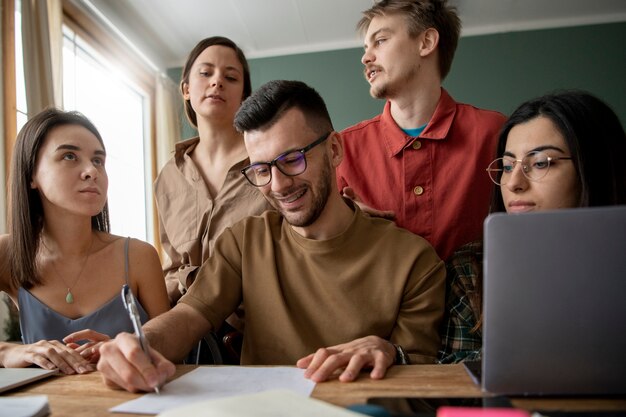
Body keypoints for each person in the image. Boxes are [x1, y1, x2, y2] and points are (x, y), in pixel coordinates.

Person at [97, 80, 446, 393]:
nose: (278, 185)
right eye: (261, 170)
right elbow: (189, 317)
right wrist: (141, 344)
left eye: (292, 159)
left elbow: (421, 374)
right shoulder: (244, 241)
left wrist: (391, 353)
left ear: (335, 150)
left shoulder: (414, 260)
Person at [438, 90, 626, 363]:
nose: (514, 183)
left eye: (539, 163)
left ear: (594, 168)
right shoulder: (471, 267)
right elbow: (456, 378)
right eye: (507, 165)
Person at [0, 108, 169, 374]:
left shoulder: (139, 256)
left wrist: (132, 351)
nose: (91, 171)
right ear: (31, 174)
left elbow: (172, 350)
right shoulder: (6, 253)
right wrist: (11, 351)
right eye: (69, 156)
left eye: (98, 160)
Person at [337, 0, 506, 261]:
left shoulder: (495, 134)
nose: (365, 57)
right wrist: (343, 225)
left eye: (380, 41)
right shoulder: (341, 150)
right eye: (366, 47)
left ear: (426, 42)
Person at [155, 36, 271, 308]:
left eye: (231, 77)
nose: (216, 81)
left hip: (255, 327)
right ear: (185, 89)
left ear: (244, 96)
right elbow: (173, 268)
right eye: (205, 73)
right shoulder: (169, 176)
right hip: (185, 332)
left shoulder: (268, 161)